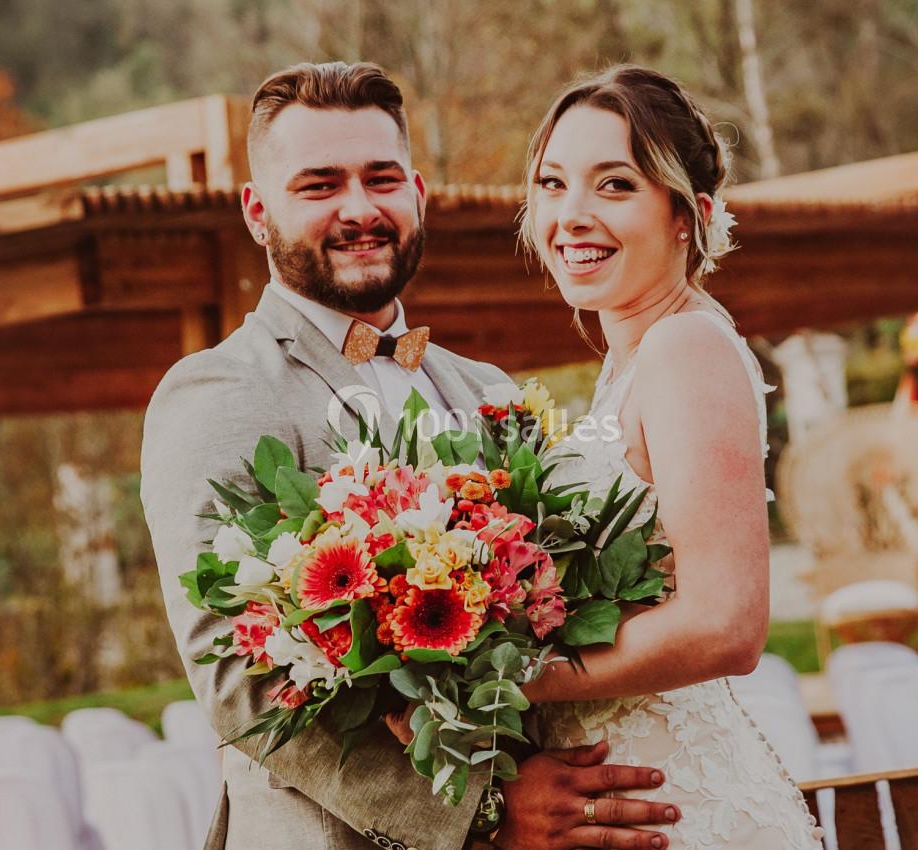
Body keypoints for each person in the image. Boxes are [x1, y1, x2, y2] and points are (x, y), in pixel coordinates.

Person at [141, 61, 678, 850]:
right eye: (319, 186)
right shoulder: (216, 392)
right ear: (258, 212)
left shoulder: (490, 389)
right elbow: (236, 681)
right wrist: (485, 811)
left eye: (380, 179)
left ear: (418, 195)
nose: (360, 209)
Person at [515, 65, 826, 849]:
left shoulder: (686, 347)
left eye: (614, 185)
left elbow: (728, 624)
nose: (570, 216)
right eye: (552, 184)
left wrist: (509, 679)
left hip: (684, 813)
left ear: (690, 216)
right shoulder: (628, 368)